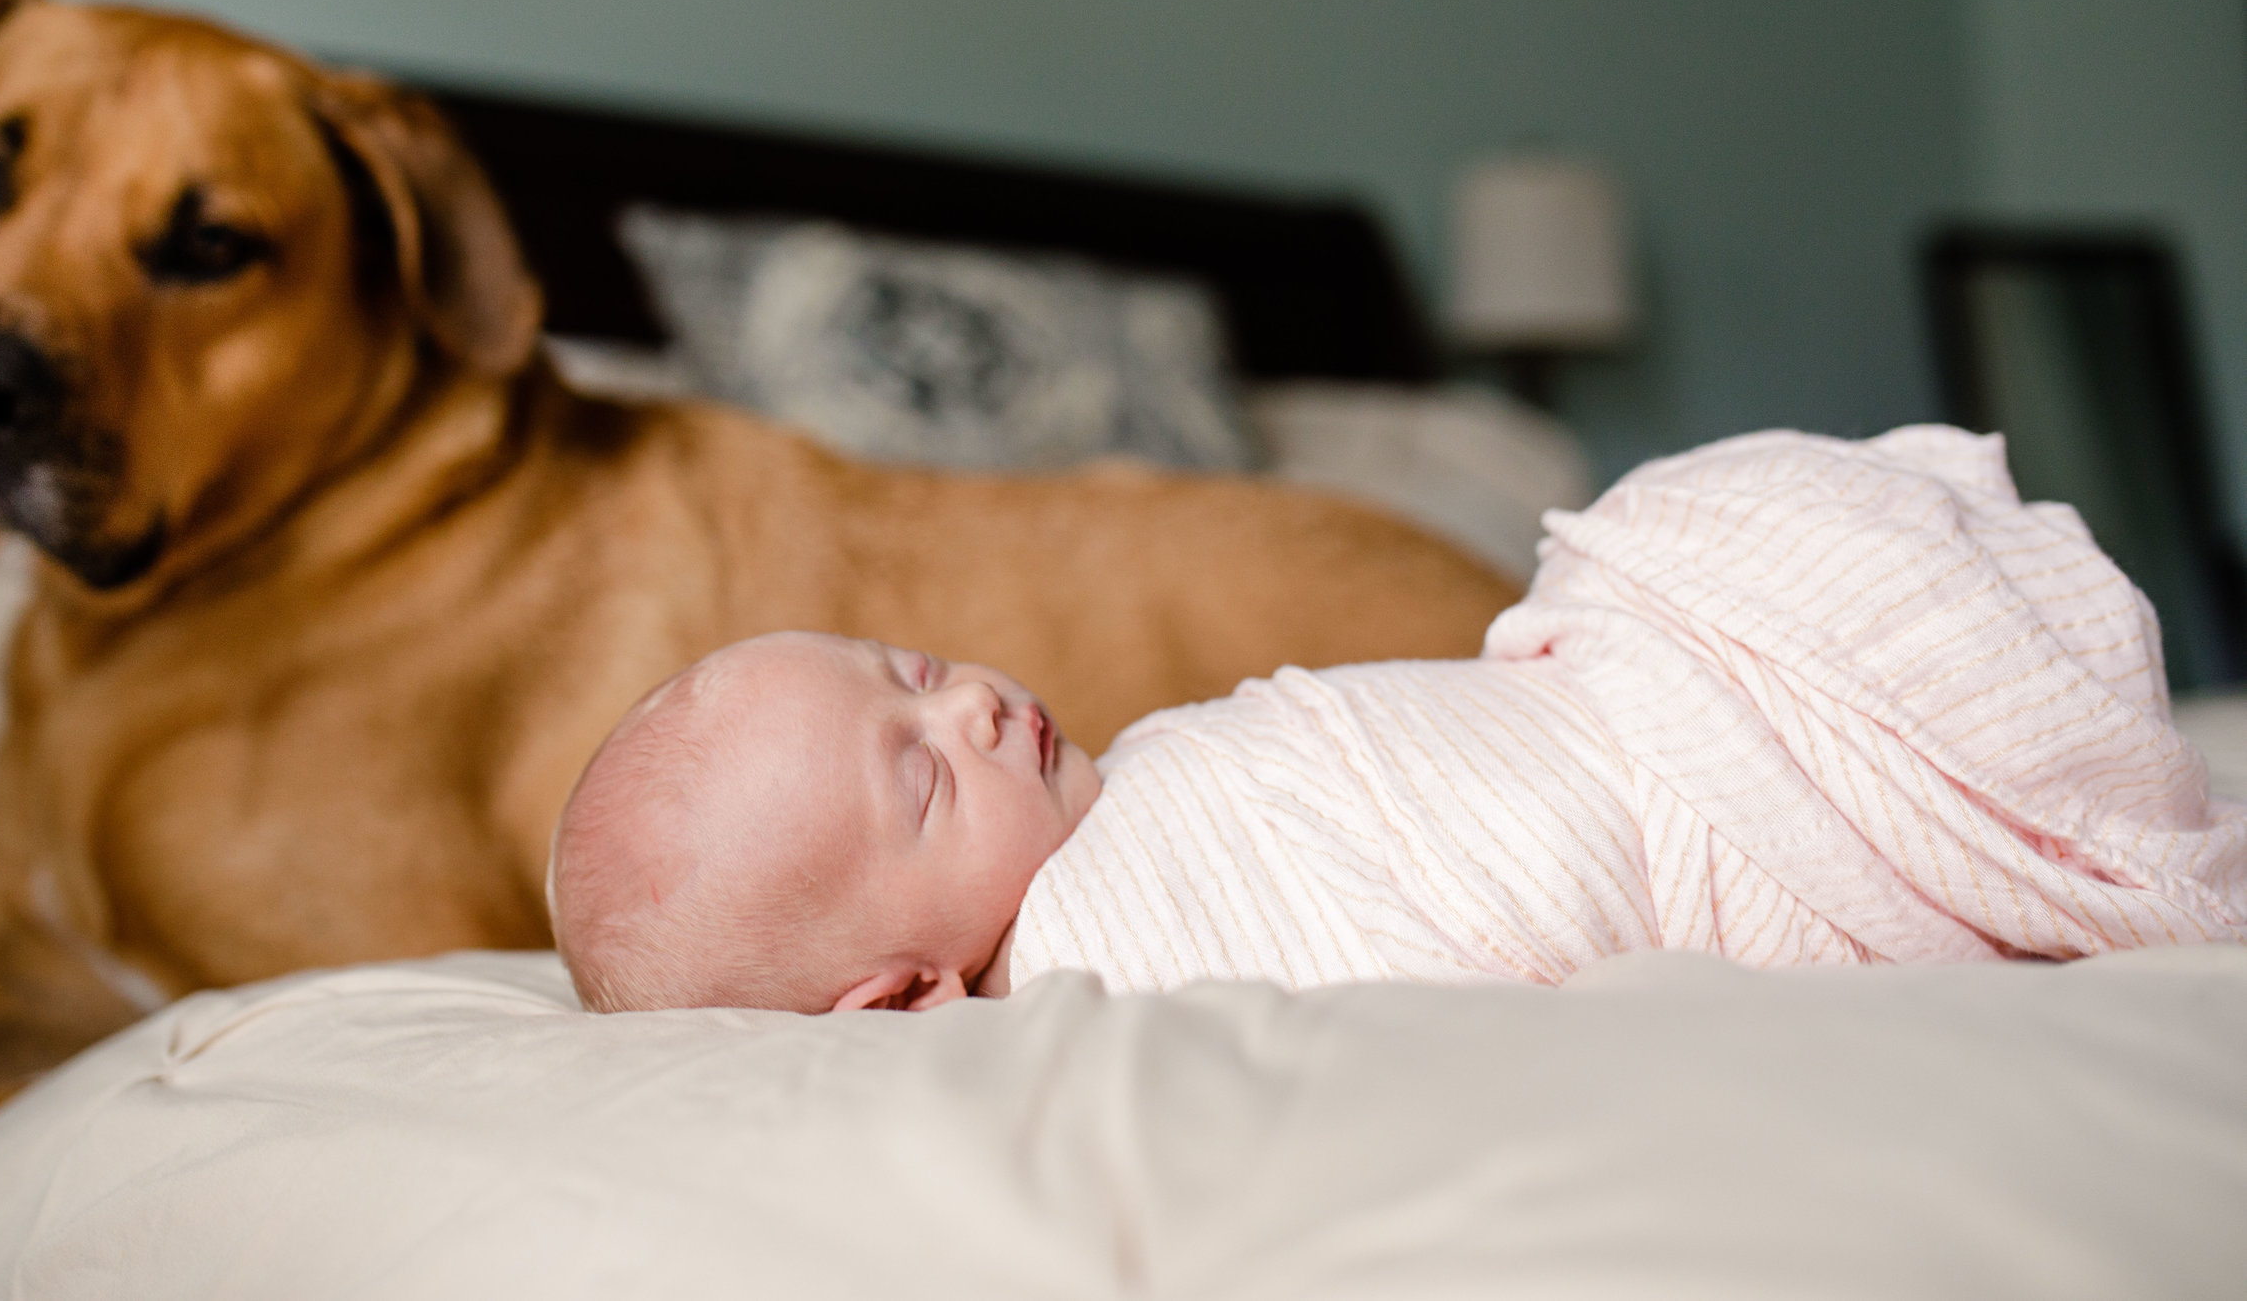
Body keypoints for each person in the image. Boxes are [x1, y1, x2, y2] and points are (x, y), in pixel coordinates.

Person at [549, 427, 2247, 1013]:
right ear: (902, 991)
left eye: (914, 668)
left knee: (1695, 528)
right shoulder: (1106, 956)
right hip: (1709, 793)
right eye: (920, 772)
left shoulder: (1126, 797)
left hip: (1625, 690)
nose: (978, 700)